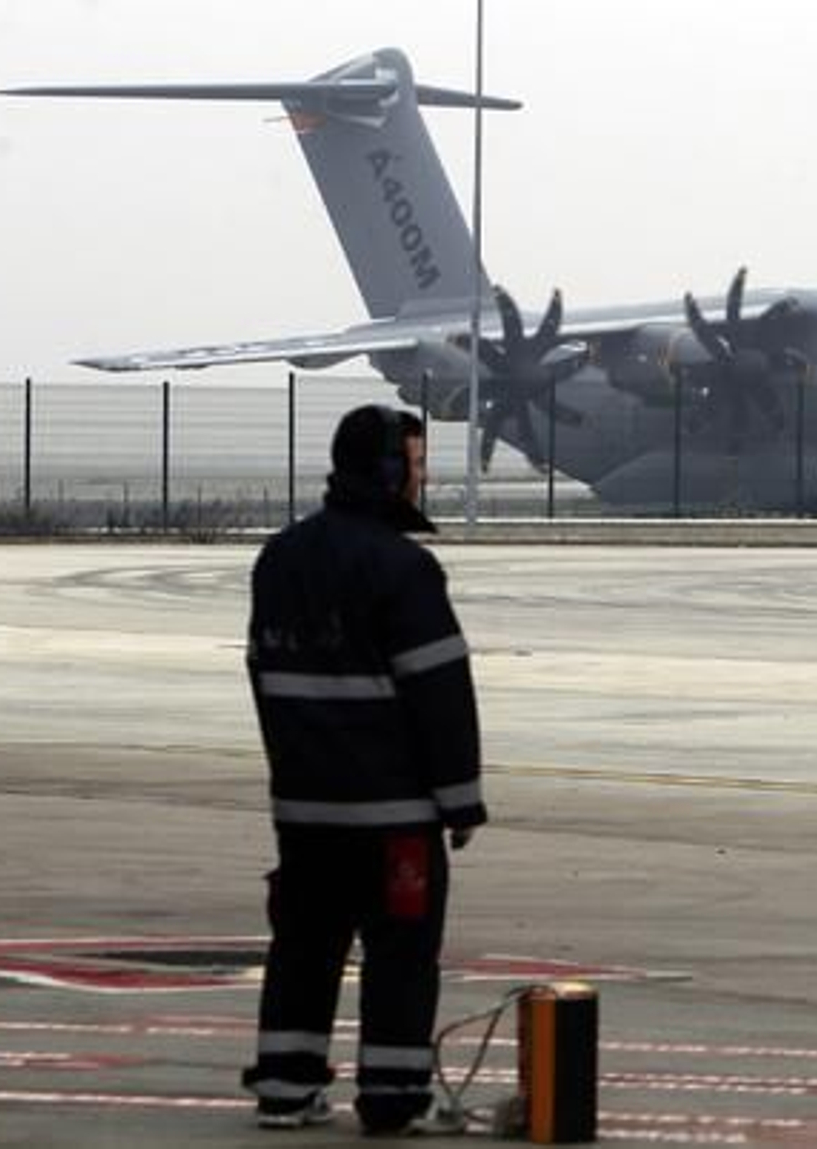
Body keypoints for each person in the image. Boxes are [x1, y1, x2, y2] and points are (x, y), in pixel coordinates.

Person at [240, 404, 486, 1134]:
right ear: (386, 471)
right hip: (393, 816)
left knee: (303, 945)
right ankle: (393, 1094)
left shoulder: (279, 558)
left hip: (306, 809)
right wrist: (461, 799)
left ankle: (285, 1086)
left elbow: (264, 676)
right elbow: (439, 689)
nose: (423, 477)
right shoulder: (405, 568)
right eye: (414, 464)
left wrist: (293, 773)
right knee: (402, 954)